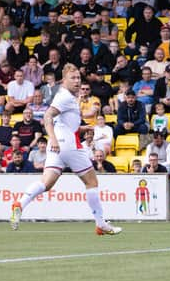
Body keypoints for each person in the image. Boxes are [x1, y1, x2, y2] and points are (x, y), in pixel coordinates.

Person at [10, 63, 122, 235]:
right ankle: (100, 224)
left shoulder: (67, 96)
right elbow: (47, 116)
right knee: (91, 182)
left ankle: (20, 204)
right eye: (73, 78)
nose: (77, 81)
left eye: (78, 77)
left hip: (57, 146)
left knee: (46, 183)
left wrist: (81, 129)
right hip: (67, 144)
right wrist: (53, 138)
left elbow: (63, 122)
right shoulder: (65, 97)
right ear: (64, 80)